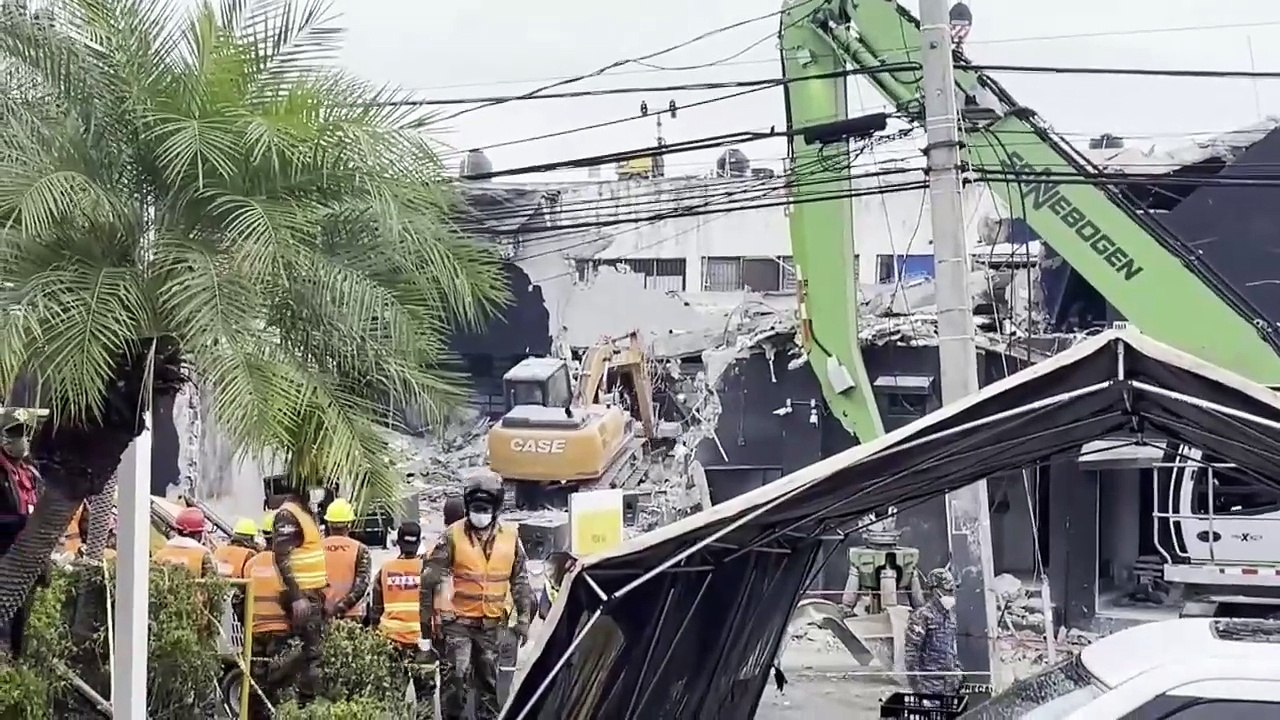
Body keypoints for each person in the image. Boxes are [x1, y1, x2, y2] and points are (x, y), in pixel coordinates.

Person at [421, 470, 533, 720]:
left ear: (496, 508)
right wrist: (426, 632)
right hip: (458, 624)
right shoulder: (451, 536)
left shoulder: (511, 537)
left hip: (491, 625)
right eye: (475, 507)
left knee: (489, 684)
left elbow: (521, 581)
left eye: (485, 508)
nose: (479, 513)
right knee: (456, 681)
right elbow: (428, 582)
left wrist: (524, 620)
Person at [267, 479, 329, 707]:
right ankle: (303, 704)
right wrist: (297, 597)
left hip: (311, 594)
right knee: (312, 655)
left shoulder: (304, 513)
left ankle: (293, 695)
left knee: (311, 654)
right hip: (303, 596)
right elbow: (281, 556)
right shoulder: (288, 514)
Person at [372, 522, 435, 707]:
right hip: (423, 643)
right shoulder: (428, 570)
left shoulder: (385, 569)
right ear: (418, 543)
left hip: (392, 640)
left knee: (394, 697)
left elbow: (376, 610)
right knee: (425, 697)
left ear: (398, 542)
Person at [0, 407, 46, 657]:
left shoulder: (31, 473)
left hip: (26, 563)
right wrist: (19, 523)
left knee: (20, 626)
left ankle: (16, 666)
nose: (23, 440)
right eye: (16, 433)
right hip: (4, 558)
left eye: (27, 433)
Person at [243, 513, 291, 702]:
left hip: (255, 631)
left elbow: (240, 597)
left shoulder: (251, 563)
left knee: (256, 680)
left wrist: (248, 623)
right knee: (279, 681)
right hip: (280, 632)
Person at [903, 567, 962, 695]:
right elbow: (911, 656)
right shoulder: (922, 616)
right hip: (929, 687)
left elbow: (953, 648)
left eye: (953, 590)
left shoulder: (951, 615)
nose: (952, 594)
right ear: (936, 591)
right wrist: (918, 689)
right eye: (948, 590)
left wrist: (958, 673)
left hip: (950, 687)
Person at [321, 498, 372, 622]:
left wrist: (326, 611)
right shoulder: (360, 549)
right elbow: (361, 587)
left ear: (328, 523)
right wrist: (340, 609)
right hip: (351, 616)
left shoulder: (316, 548)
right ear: (349, 524)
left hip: (323, 614)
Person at [154, 507, 217, 578]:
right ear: (198, 535)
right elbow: (213, 581)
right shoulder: (203, 554)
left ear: (177, 530)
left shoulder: (160, 553)